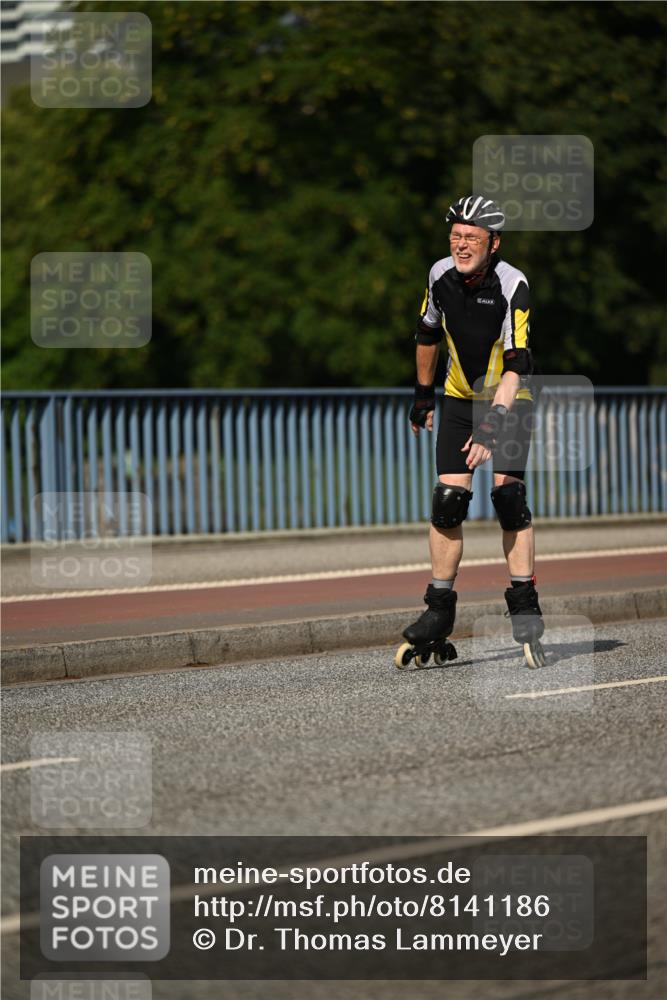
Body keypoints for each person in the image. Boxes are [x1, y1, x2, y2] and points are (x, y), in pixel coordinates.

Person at [403, 195, 544, 664]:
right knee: (447, 503)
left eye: (472, 238)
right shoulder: (439, 275)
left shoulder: (513, 283)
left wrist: (491, 427)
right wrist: (423, 396)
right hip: (460, 398)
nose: (461, 245)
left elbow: (517, 365)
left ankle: (525, 607)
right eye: (455, 237)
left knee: (509, 498)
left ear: (493, 243)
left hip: (509, 399)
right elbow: (427, 333)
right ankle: (438, 611)